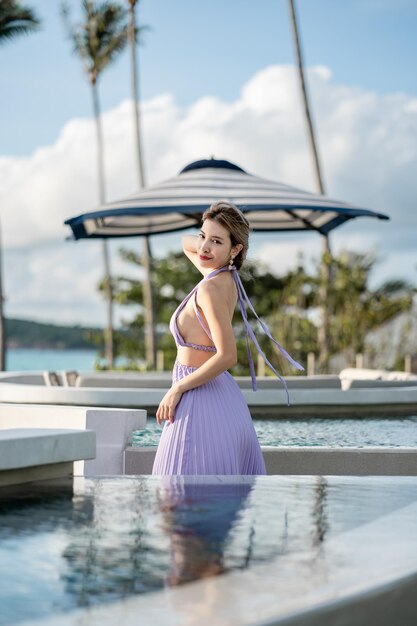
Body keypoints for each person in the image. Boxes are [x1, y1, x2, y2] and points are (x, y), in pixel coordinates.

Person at [152, 201, 303, 475]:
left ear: (236, 249)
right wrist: (211, 229)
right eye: (203, 236)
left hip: (198, 400)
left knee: (178, 503)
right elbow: (187, 244)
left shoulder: (210, 288)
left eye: (217, 242)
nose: (204, 248)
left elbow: (227, 355)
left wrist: (177, 389)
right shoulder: (224, 277)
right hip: (217, 399)